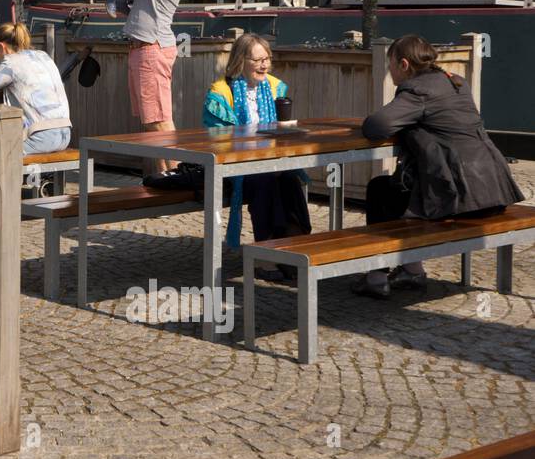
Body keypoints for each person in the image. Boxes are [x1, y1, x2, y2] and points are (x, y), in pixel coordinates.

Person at [353, 34, 524, 299]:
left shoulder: (417, 90)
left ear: (405, 65)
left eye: (391, 65)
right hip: (495, 189)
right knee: (395, 191)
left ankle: (377, 276)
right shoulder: (455, 81)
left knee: (380, 190)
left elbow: (376, 126)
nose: (390, 71)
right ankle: (412, 269)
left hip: (463, 195)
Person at [110, 0, 217, 170]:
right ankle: (167, 179)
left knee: (160, 121)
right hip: (144, 48)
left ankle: (179, 177)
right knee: (152, 122)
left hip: (152, 49)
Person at [202, 34, 311, 278]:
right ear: (241, 61)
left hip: (271, 162)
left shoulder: (274, 87)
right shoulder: (221, 92)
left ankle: (294, 247)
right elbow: (219, 141)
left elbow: (282, 130)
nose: (264, 65)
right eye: (258, 60)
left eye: (267, 59)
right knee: (266, 181)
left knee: (289, 180)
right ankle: (265, 258)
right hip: (233, 167)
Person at [0, 22, 72, 154]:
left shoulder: (10, 62)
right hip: (65, 134)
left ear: (2, 46)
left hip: (40, 137)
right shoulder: (42, 55)